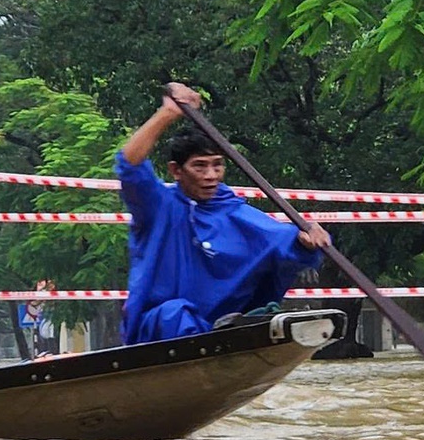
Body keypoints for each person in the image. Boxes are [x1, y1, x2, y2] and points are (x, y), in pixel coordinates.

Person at [115, 82, 331, 344]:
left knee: (258, 315)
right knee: (176, 313)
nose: (210, 176)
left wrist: (306, 241)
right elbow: (129, 166)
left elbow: (282, 241)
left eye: (217, 166)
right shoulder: (159, 205)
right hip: (161, 329)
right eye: (200, 166)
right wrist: (168, 113)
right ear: (176, 171)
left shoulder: (234, 210)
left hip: (222, 328)